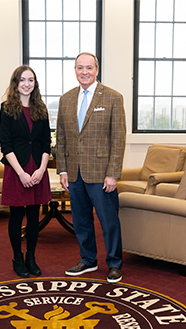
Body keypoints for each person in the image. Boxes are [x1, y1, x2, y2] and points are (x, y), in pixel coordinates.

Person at [56, 53, 126, 283]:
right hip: (74, 173)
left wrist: (113, 174)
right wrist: (63, 170)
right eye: (79, 67)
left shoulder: (113, 97)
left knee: (108, 221)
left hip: (101, 173)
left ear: (97, 69)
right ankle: (88, 260)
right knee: (81, 220)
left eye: (89, 67)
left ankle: (114, 263)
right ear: (74, 70)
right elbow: (63, 138)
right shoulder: (65, 100)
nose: (84, 72)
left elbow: (118, 139)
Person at [0, 65, 52, 278]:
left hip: (37, 169)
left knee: (33, 216)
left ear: (35, 84)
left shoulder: (42, 109)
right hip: (17, 169)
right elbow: (5, 145)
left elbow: (46, 143)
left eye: (31, 80)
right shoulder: (6, 108)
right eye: (22, 80)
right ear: (16, 83)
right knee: (16, 216)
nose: (27, 84)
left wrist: (41, 169)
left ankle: (31, 257)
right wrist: (21, 173)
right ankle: (17, 258)